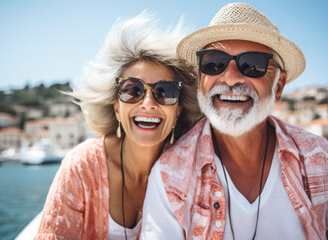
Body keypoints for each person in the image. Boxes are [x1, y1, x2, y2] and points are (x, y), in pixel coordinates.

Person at [140, 3, 328, 240]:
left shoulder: (320, 159)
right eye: (213, 63)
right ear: (200, 79)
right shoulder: (170, 175)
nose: (229, 78)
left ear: (278, 86)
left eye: (253, 65)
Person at [35, 12, 202, 240]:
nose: (148, 104)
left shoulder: (187, 172)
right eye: (133, 90)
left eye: (165, 92)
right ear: (116, 108)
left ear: (177, 113)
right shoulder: (82, 167)